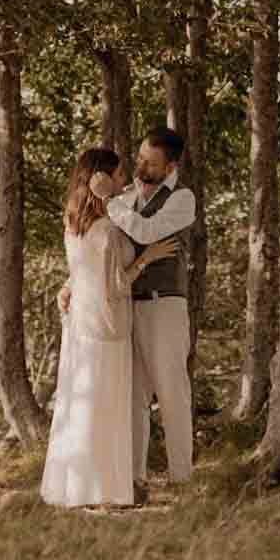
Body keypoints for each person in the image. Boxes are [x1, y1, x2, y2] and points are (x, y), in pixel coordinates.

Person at [40, 147, 178, 508]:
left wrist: (67, 287)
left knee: (81, 405)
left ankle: (78, 486)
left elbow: (81, 270)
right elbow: (117, 285)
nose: (123, 182)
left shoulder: (73, 222)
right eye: (117, 176)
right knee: (107, 406)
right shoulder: (108, 229)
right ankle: (105, 489)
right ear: (100, 178)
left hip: (80, 324)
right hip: (107, 324)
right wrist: (146, 258)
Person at [96, 126, 196, 489]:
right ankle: (134, 478)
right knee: (133, 396)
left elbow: (147, 232)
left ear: (170, 167)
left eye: (150, 162)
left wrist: (110, 204)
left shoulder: (183, 199)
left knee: (171, 392)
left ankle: (181, 477)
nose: (140, 166)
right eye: (139, 158)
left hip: (164, 307)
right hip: (128, 306)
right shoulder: (126, 196)